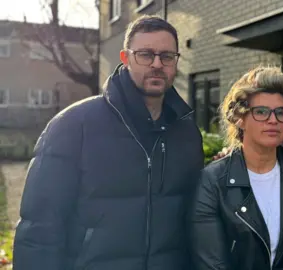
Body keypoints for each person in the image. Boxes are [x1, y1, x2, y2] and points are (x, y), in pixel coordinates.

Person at [13, 15, 204, 270]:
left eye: (167, 56)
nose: (157, 64)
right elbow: (39, 229)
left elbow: (195, 222)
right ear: (125, 59)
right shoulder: (73, 126)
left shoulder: (187, 132)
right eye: (145, 55)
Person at [191, 67, 283, 270]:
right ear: (240, 118)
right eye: (261, 112)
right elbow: (212, 263)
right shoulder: (212, 181)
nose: (273, 120)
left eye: (281, 112)